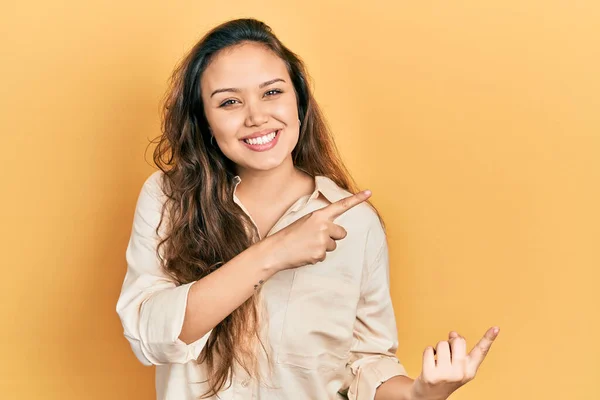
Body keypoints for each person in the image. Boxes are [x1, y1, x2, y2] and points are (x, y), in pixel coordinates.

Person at [116, 18, 499, 400]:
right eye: (229, 101)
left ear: (298, 100)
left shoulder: (355, 222)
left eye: (272, 92)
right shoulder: (169, 197)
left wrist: (422, 393)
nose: (256, 116)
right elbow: (148, 335)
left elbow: (367, 364)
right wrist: (274, 252)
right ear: (204, 121)